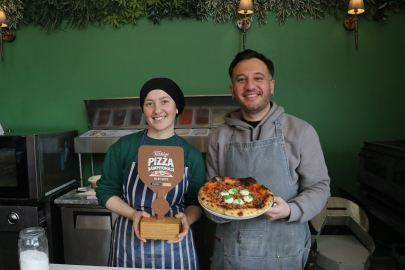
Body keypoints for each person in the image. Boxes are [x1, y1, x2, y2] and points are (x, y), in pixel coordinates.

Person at [205, 50, 331, 270]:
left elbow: (320, 187)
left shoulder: (301, 131)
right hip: (233, 251)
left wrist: (290, 210)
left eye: (258, 78)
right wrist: (222, 213)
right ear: (232, 90)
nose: (250, 86)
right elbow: (209, 192)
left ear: (271, 86)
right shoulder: (219, 136)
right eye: (241, 79)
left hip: (285, 249)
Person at [96, 78, 205, 269]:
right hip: (129, 243)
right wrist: (133, 214)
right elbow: (106, 192)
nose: (157, 110)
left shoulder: (191, 155)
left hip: (176, 245)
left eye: (165, 101)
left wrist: (187, 218)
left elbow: (196, 202)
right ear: (143, 109)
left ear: (176, 107)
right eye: (149, 103)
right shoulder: (124, 147)